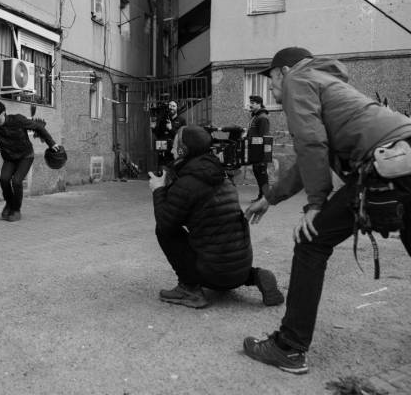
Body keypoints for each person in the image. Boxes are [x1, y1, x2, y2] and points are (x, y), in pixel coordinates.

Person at [243, 47, 411, 375]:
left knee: (311, 242)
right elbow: (309, 156)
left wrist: (316, 204)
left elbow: (310, 142)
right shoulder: (326, 83)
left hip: (385, 164)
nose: (273, 90)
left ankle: (288, 348)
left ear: (284, 71)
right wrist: (271, 197)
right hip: (403, 155)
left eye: (272, 80)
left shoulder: (298, 80)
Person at [148, 124, 285, 309]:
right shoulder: (222, 175)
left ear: (183, 150)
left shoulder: (188, 182)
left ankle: (189, 289)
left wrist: (159, 190)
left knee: (164, 231)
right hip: (241, 269)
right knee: (219, 239)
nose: (171, 149)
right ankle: (256, 275)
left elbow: (166, 223)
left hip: (213, 275)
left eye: (174, 145)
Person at [0, 101, 59, 222]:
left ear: (3, 113)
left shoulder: (18, 120)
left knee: (17, 181)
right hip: (10, 158)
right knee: (4, 179)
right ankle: (9, 203)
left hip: (25, 156)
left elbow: (38, 127)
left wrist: (51, 143)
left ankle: (16, 210)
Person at [248, 95, 270, 201]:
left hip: (260, 152)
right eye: (250, 103)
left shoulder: (262, 118)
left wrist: (263, 156)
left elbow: (264, 137)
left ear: (258, 104)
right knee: (257, 172)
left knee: (262, 174)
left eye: (252, 103)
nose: (250, 105)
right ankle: (262, 196)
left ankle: (265, 197)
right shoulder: (256, 116)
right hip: (255, 151)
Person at [153, 100, 187, 169]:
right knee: (162, 168)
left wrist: (171, 129)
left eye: (173, 106)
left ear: (177, 108)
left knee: (174, 168)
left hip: (175, 148)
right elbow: (158, 135)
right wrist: (153, 128)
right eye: (170, 106)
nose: (171, 107)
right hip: (163, 147)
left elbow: (182, 135)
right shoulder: (162, 119)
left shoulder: (182, 120)